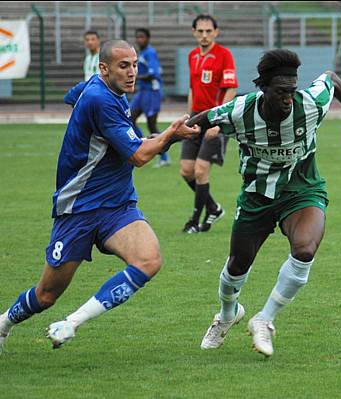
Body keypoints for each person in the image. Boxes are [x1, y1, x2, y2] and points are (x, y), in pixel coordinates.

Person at [0, 40, 199, 353]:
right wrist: (171, 135)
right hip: (78, 208)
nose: (132, 72)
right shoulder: (100, 99)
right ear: (103, 68)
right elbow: (139, 156)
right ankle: (3, 325)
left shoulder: (100, 90)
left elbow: (73, 98)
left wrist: (167, 136)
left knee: (149, 260)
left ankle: (73, 322)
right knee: (45, 296)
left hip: (117, 205)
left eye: (134, 65)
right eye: (124, 66)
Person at [186, 49, 341, 357]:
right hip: (256, 196)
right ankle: (228, 314)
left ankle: (264, 319)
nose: (287, 98)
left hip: (302, 190)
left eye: (291, 91)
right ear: (264, 89)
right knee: (237, 266)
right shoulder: (240, 111)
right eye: (281, 92)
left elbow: (332, 79)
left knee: (305, 249)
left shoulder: (308, 105)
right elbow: (201, 120)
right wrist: (160, 141)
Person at [181, 14, 238, 234]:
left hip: (215, 119)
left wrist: (219, 121)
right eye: (200, 31)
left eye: (208, 31)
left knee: (201, 170)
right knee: (186, 170)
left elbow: (231, 88)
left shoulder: (224, 55)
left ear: (216, 32)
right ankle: (213, 208)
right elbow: (192, 89)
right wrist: (188, 119)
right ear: (194, 32)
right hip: (196, 117)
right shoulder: (193, 55)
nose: (204, 35)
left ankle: (195, 221)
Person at [130, 28, 170, 168]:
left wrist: (135, 77)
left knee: (151, 125)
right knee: (130, 118)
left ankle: (164, 156)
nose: (139, 40)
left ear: (148, 38)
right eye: (137, 37)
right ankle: (141, 145)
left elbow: (153, 73)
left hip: (152, 91)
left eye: (142, 37)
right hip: (143, 91)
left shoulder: (150, 53)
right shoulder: (141, 52)